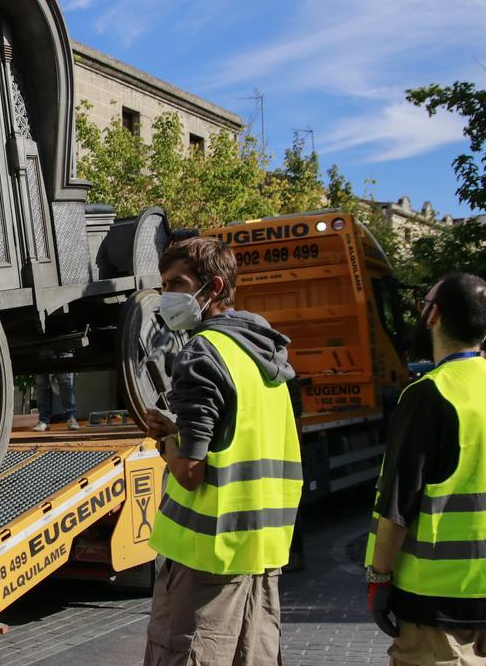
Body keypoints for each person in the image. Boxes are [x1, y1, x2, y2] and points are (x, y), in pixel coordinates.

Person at [142, 237, 302, 665]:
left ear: (212, 288)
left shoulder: (201, 355)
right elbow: (238, 435)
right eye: (163, 286)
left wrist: (168, 440)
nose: (166, 297)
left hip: (206, 562)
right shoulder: (265, 354)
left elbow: (191, 472)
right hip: (261, 553)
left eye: (176, 284)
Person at [366, 274, 486, 665]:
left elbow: (397, 506)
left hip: (439, 600)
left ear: (432, 314)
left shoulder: (429, 394)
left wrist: (378, 580)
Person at [31, 359, 78, 431]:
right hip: (42, 352)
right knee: (41, 383)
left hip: (62, 351)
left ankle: (71, 417)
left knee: (64, 380)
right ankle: (44, 420)